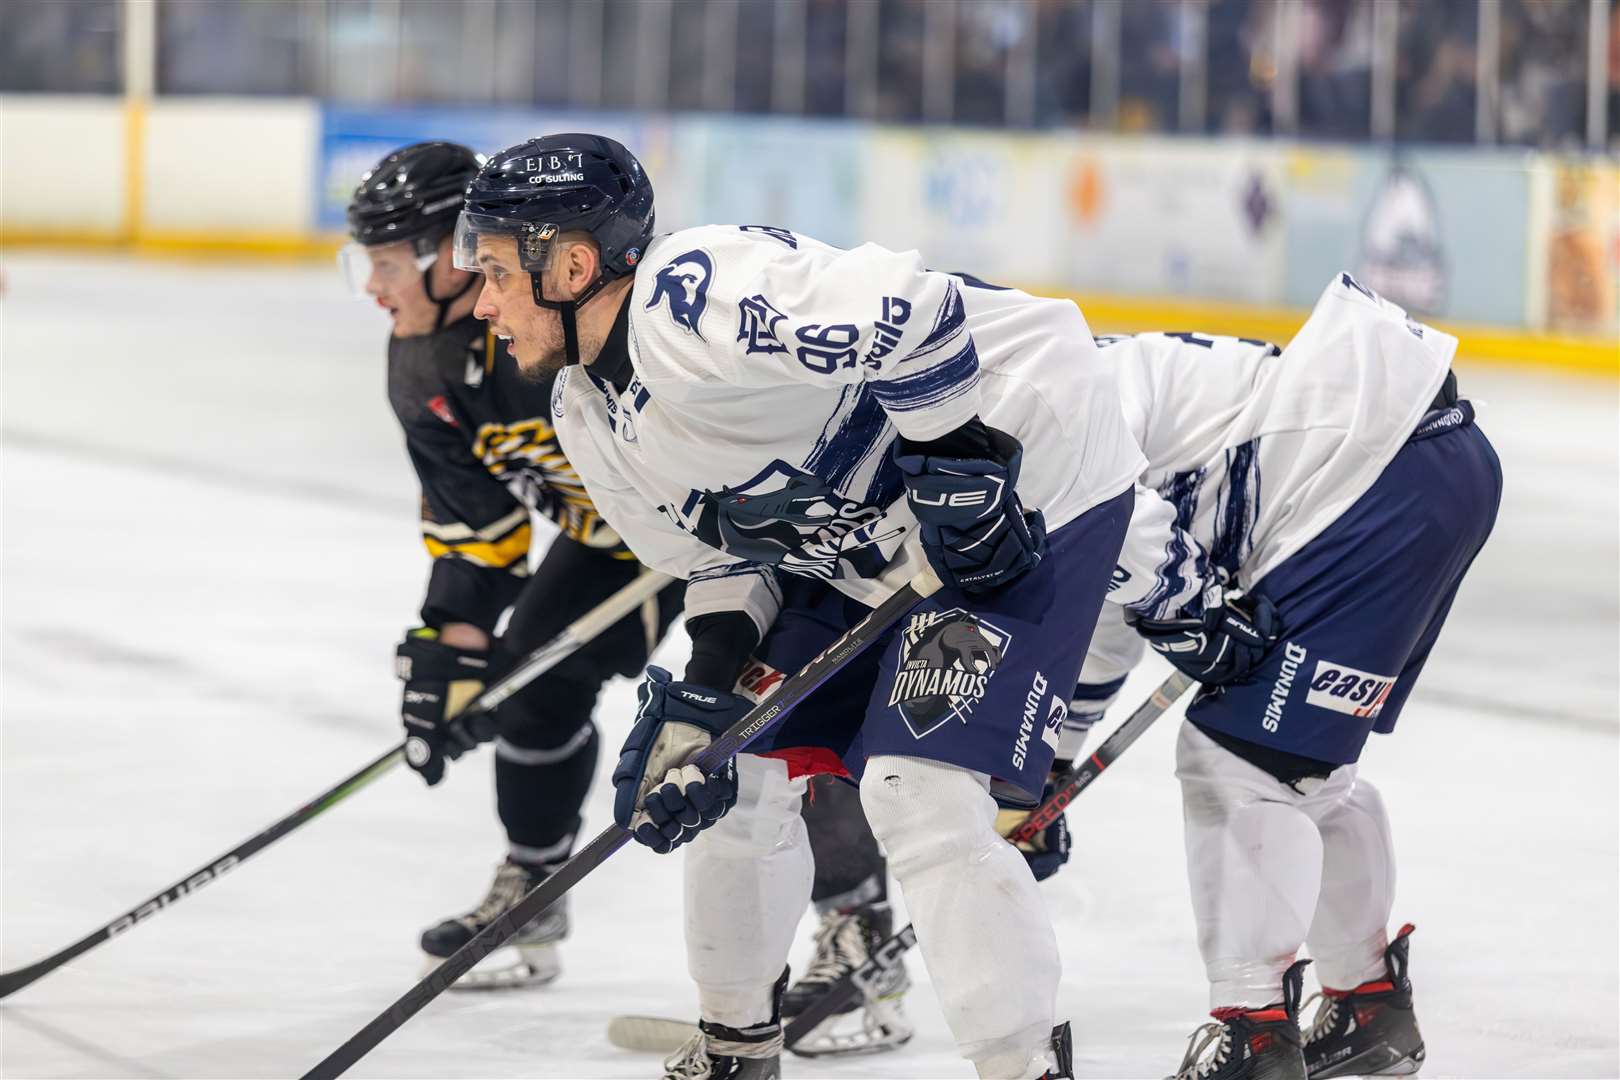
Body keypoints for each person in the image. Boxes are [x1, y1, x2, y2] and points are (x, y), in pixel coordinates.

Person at [453, 132, 1148, 1080]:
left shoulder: (694, 295)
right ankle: (738, 1048)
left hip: (1035, 473)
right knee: (733, 774)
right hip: (874, 544)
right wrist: (706, 696)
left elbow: (916, 310)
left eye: (494, 271)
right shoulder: (585, 411)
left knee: (921, 794)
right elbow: (714, 564)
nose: (481, 301)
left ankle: (1024, 1069)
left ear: (572, 264)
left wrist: (960, 460)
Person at [1064, 278, 1499, 1078]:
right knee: (1307, 773)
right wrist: (1051, 763)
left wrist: (1186, 609)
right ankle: (1369, 1010)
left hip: (1375, 481)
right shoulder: (1058, 389)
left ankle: (1250, 1034)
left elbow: (1117, 534)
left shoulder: (1045, 418)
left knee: (1238, 766)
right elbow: (1105, 599)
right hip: (1433, 468)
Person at [342, 141, 683, 988]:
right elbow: (475, 525)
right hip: (613, 539)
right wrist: (453, 651)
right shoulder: (421, 359)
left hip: (720, 532)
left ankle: (855, 919)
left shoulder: (561, 328)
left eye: (387, 262)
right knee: (527, 691)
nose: (374, 287)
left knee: (782, 718)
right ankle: (534, 893)